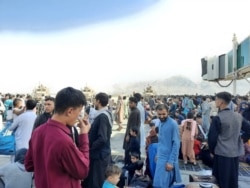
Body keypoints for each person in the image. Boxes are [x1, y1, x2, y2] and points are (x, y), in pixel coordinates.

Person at [25, 87, 90, 188]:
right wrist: (84, 135)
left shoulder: (38, 131)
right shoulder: (63, 140)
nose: (78, 117)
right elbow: (82, 171)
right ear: (70, 111)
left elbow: (29, 165)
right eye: (79, 112)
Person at [208, 92, 244, 188]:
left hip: (221, 153)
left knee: (219, 180)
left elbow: (212, 138)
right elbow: (248, 129)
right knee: (232, 178)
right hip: (234, 153)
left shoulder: (218, 118)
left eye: (216, 99)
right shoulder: (238, 116)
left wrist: (211, 150)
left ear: (220, 102)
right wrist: (240, 139)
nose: (215, 101)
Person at [84, 92, 113, 188]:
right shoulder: (105, 114)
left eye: (95, 101)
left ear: (98, 101)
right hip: (100, 154)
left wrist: (90, 148)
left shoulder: (103, 117)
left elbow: (102, 138)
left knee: (96, 182)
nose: (94, 103)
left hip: (99, 156)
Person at [153, 104, 181, 188]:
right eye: (159, 114)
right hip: (161, 157)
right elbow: (161, 141)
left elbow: (176, 144)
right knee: (159, 183)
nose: (161, 116)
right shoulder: (160, 123)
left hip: (168, 159)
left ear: (168, 112)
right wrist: (158, 153)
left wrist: (170, 161)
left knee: (162, 184)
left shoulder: (173, 124)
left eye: (163, 114)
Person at [123, 96, 141, 165]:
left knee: (130, 151)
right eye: (129, 103)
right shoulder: (135, 111)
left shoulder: (135, 112)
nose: (130, 104)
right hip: (133, 134)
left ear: (135, 103)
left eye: (131, 103)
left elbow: (133, 125)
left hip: (132, 134)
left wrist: (128, 135)